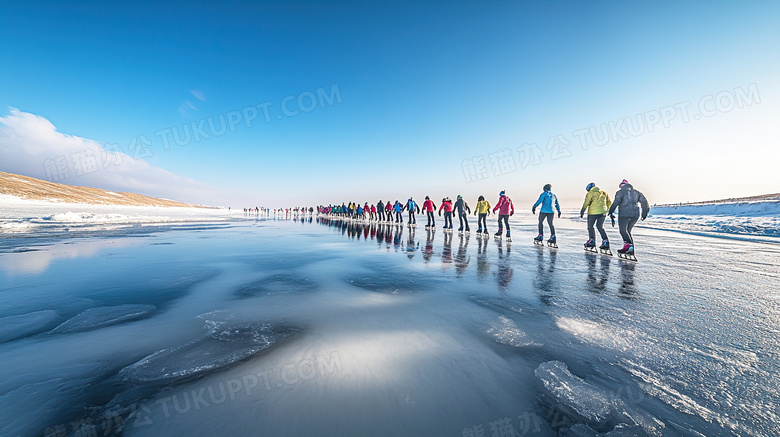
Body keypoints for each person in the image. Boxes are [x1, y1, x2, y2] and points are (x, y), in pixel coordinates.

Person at [607, 179, 650, 255]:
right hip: (635, 214)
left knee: (623, 230)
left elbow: (616, 202)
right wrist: (645, 212)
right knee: (628, 231)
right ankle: (629, 249)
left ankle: (629, 247)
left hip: (624, 214)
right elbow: (644, 201)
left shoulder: (620, 192)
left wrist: (611, 211)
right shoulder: (636, 192)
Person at [580, 182, 612, 250]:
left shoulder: (590, 193)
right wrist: (610, 211)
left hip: (593, 213)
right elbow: (609, 202)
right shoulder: (604, 193)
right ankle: (605, 241)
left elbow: (586, 202)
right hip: (603, 213)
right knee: (600, 227)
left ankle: (592, 241)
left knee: (590, 227)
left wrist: (582, 210)